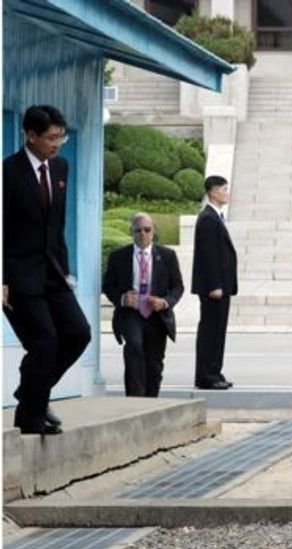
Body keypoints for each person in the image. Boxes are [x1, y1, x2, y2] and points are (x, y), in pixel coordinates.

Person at [2, 105, 91, 435]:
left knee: (79, 333)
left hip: (53, 274)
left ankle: (30, 393)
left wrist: (65, 272)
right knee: (44, 342)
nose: (57, 144)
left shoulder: (60, 168)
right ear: (30, 136)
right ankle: (30, 416)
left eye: (61, 137)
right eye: (51, 138)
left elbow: (57, 226)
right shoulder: (7, 173)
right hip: (18, 275)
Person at [102, 213, 184, 397]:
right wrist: (123, 299)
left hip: (157, 315)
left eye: (147, 230)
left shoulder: (167, 255)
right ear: (132, 232)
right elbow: (108, 286)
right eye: (138, 230)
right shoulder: (119, 257)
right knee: (134, 346)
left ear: (153, 231)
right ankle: (135, 398)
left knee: (154, 363)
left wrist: (164, 302)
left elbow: (178, 286)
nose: (143, 234)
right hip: (131, 313)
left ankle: (151, 400)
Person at [192, 175, 237, 390]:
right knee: (210, 330)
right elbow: (208, 256)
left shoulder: (215, 216)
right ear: (212, 192)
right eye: (223, 189)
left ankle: (214, 371)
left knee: (218, 331)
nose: (227, 193)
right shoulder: (208, 218)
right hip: (214, 288)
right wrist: (214, 285)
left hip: (222, 286)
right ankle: (206, 375)